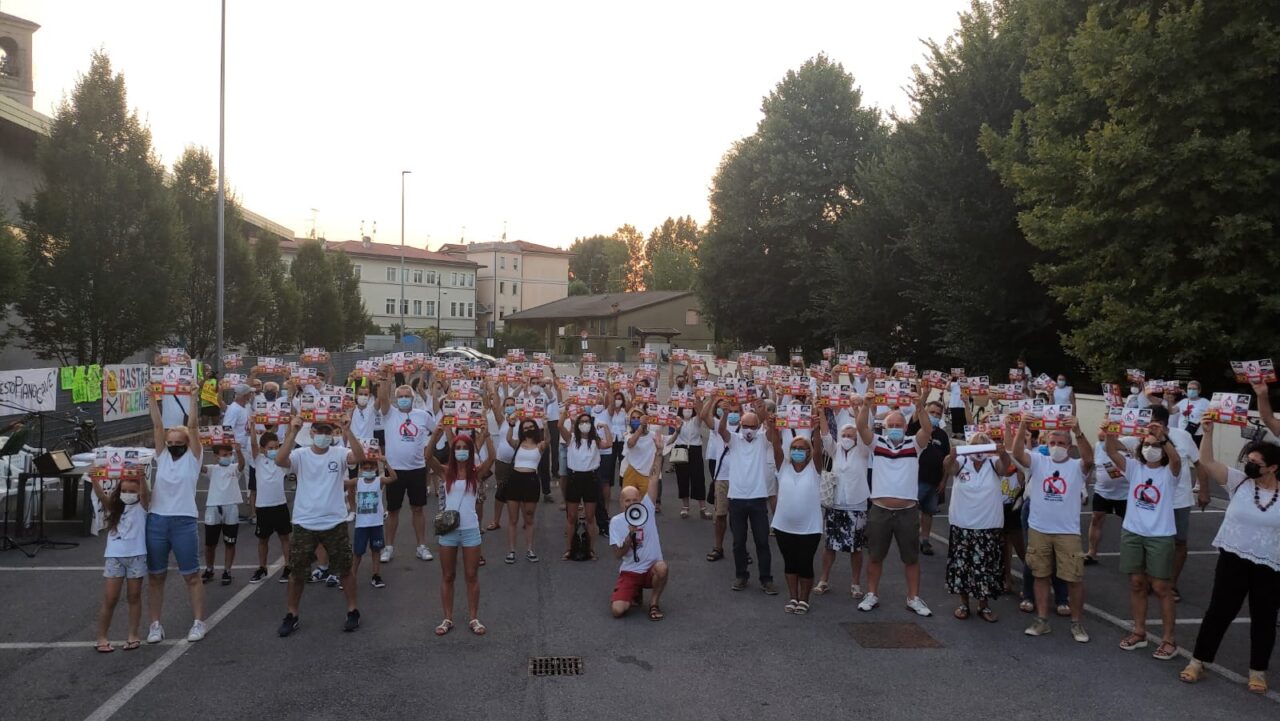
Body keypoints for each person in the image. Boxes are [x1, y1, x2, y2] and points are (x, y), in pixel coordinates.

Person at [1180, 422, 1280, 694]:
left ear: (1272, 467)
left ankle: (1257, 671)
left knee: (1264, 618)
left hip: (1270, 564)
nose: (1250, 466)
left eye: (1256, 463)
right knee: (1219, 612)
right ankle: (1198, 661)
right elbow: (1208, 461)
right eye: (1248, 460)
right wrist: (1209, 432)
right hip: (1233, 558)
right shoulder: (1240, 481)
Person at [276, 418, 365, 636]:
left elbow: (360, 457)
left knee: (345, 569)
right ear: (312, 433)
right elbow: (280, 460)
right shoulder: (301, 454)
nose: (325, 435)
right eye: (320, 431)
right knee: (296, 573)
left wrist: (347, 431)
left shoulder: (339, 452)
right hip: (305, 522)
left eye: (329, 431)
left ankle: (353, 610)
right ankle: (292, 614)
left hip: (334, 521)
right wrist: (293, 432)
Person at [1010, 416, 1094, 642]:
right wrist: (1022, 427)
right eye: (1052, 442)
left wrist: (1078, 430)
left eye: (1061, 443)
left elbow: (1089, 459)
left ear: (1069, 446)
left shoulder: (1076, 467)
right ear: (1046, 443)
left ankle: (1077, 623)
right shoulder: (1039, 461)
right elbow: (1018, 454)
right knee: (1040, 575)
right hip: (1039, 529)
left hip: (1068, 532)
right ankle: (1042, 620)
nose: (1056, 446)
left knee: (1074, 579)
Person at [855, 386, 934, 616]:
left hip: (907, 511)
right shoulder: (877, 443)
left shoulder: (914, 444)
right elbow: (861, 427)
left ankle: (914, 597)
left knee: (911, 558)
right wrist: (866, 405)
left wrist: (920, 407)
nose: (896, 429)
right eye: (892, 425)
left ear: (906, 427)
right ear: (885, 427)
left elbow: (928, 430)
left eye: (899, 425)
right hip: (880, 510)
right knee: (876, 556)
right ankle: (872, 594)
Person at [1103, 423, 1180, 660]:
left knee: (1161, 587)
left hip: (1160, 534)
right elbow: (1112, 452)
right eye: (1146, 445)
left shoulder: (1170, 472)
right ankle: (1139, 631)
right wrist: (1109, 433)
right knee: (1136, 583)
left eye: (1155, 446)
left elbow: (1176, 461)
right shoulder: (1135, 467)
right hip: (1133, 532)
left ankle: (1169, 640)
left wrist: (1162, 438)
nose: (1150, 449)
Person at [144, 387, 207, 644]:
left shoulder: (194, 458)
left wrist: (193, 397)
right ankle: (155, 625)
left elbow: (192, 427)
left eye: (178, 443)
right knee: (156, 576)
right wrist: (151, 398)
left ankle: (198, 622)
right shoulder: (163, 456)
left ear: (188, 444)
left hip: (184, 521)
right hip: (157, 520)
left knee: (191, 575)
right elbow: (158, 428)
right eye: (170, 443)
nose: (173, 446)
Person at [427, 428, 495, 635]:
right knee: (448, 575)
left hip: (470, 530)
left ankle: (474, 617)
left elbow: (492, 457)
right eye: (458, 448)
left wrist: (487, 434)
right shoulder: (446, 472)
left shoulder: (477, 473)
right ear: (452, 450)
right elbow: (427, 457)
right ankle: (447, 617)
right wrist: (436, 435)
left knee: (471, 574)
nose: (461, 451)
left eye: (465, 448)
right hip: (448, 531)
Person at [943, 434, 1009, 622]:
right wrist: (952, 455)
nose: (979, 451)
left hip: (988, 526)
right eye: (975, 447)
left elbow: (1004, 469)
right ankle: (963, 604)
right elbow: (948, 468)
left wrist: (1003, 454)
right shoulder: (962, 462)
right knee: (962, 566)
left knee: (986, 568)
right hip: (962, 525)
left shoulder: (993, 462)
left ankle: (984, 606)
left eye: (983, 447)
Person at [718, 400, 778, 595]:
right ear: (740, 426)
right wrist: (725, 414)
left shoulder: (762, 439)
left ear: (757, 426)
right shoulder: (734, 439)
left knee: (762, 541)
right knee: (738, 542)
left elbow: (771, 433)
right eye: (745, 426)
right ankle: (741, 575)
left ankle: (766, 579)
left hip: (758, 498)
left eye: (752, 426)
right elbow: (722, 431)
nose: (749, 430)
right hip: (736, 499)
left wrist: (767, 418)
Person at [376, 380, 435, 564]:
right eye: (400, 397)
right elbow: (383, 397)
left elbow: (435, 432)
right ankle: (389, 547)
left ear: (413, 398)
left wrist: (428, 451)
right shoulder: (389, 414)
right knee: (393, 510)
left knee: (418, 509)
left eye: (406, 396)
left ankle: (421, 546)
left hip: (417, 469)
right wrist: (385, 378)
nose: (403, 399)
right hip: (394, 471)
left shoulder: (422, 416)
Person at [92, 474, 150, 652]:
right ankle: (101, 637)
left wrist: (142, 478)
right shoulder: (115, 507)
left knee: (134, 596)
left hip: (137, 555)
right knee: (110, 598)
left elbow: (146, 494)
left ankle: (133, 635)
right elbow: (102, 496)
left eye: (132, 491)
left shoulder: (143, 506)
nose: (128, 494)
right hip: (114, 556)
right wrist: (94, 479)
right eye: (124, 491)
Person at [770, 427, 824, 614]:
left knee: (805, 563)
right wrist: (772, 425)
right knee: (790, 562)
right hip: (783, 526)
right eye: (794, 448)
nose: (797, 451)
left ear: (809, 452)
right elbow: (776, 445)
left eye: (802, 448)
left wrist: (817, 426)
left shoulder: (814, 469)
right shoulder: (783, 467)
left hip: (809, 528)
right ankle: (793, 597)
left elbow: (819, 447)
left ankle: (804, 598)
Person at [815, 417, 869, 599]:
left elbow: (863, 432)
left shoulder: (863, 450)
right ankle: (823, 580)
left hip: (857, 504)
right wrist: (821, 410)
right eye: (844, 435)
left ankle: (855, 584)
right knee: (829, 546)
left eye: (850, 436)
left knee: (856, 548)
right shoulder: (835, 449)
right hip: (836, 503)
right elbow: (824, 434)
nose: (846, 438)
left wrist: (857, 410)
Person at [1150, 405, 1199, 601]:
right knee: (1151, 541)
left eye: (1149, 420)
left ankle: (1172, 583)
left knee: (1179, 542)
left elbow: (1199, 462)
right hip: (1153, 499)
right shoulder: (1142, 437)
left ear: (1161, 422)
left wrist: (1203, 488)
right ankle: (1150, 578)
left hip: (1179, 499)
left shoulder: (1183, 437)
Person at [609, 473, 669, 620]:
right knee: (617, 610)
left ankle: (654, 604)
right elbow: (618, 554)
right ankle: (635, 591)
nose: (631, 503)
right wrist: (629, 536)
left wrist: (659, 453)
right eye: (627, 500)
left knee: (662, 568)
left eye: (635, 500)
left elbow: (654, 477)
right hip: (631, 571)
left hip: (650, 569)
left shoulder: (647, 509)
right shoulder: (616, 522)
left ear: (640, 501)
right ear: (621, 503)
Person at [560, 410, 612, 560]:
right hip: (575, 478)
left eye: (587, 422)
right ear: (577, 425)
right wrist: (566, 412)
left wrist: (606, 428)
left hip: (591, 479)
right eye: (581, 422)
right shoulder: (571, 439)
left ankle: (590, 550)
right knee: (571, 517)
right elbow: (559, 426)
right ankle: (569, 549)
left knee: (590, 517)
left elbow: (608, 443)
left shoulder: (595, 440)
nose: (584, 424)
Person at [248, 429, 291, 584]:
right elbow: (253, 444)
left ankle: (288, 566)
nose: (274, 450)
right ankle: (262, 567)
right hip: (263, 506)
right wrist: (252, 427)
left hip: (280, 504)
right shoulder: (258, 460)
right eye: (270, 448)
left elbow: (288, 443)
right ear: (262, 449)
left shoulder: (283, 462)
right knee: (262, 539)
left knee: (284, 537)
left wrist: (290, 427)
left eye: (276, 447)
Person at [1084, 429, 1132, 565]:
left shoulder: (1128, 445)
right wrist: (1084, 489)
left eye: (1106, 430)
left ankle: (1130, 555)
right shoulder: (1097, 447)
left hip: (1126, 494)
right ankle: (1092, 553)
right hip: (1102, 492)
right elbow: (1089, 469)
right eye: (1102, 429)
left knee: (1130, 526)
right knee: (1096, 519)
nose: (1101, 433)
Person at [348, 457, 395, 589]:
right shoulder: (358, 482)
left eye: (371, 468)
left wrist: (386, 463)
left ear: (376, 469)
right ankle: (351, 576)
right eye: (365, 468)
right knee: (357, 552)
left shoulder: (380, 481)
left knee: (376, 550)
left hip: (376, 523)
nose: (368, 470)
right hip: (361, 525)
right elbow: (343, 483)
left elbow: (393, 478)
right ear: (361, 469)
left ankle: (376, 576)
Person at [911, 400, 951, 556]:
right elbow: (915, 416)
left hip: (934, 482)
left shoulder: (942, 435)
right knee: (911, 513)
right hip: (916, 480)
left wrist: (943, 481)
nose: (935, 416)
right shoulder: (916, 428)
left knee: (928, 513)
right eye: (932, 412)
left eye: (938, 414)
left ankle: (925, 541)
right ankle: (910, 540)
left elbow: (947, 460)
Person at [201, 443, 244, 586]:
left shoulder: (234, 468)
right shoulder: (212, 470)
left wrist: (238, 451)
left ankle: (227, 570)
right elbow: (199, 467)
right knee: (210, 544)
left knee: (230, 543)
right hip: (213, 507)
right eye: (224, 455)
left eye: (229, 454)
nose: (228, 457)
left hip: (231, 507)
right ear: (216, 456)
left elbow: (242, 465)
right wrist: (199, 448)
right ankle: (209, 568)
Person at [504, 417, 546, 563]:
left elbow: (549, 438)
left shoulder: (540, 445)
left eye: (531, 427)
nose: (528, 429)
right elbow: (508, 439)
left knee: (529, 517)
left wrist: (545, 424)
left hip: (531, 481)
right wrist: (511, 425)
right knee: (513, 519)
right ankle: (511, 551)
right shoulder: (518, 443)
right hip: (515, 479)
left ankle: (529, 549)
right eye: (525, 427)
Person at [702, 398, 740, 563]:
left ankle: (741, 549)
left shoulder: (746, 426)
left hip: (741, 478)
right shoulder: (718, 424)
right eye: (727, 409)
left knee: (739, 517)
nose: (731, 412)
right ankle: (718, 547)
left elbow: (759, 420)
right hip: (723, 477)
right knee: (720, 515)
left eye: (735, 410)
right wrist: (713, 398)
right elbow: (704, 415)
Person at [672, 402, 708, 519]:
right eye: (685, 408)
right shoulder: (678, 420)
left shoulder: (696, 420)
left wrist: (697, 400)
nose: (687, 410)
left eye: (689, 407)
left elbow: (701, 414)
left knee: (698, 477)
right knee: (682, 478)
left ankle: (703, 507)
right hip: (681, 449)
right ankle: (685, 506)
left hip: (695, 449)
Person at [622, 408, 659, 497]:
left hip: (647, 473)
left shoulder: (652, 435)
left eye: (639, 418)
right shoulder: (628, 435)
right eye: (633, 418)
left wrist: (677, 431)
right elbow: (631, 444)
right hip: (631, 472)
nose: (636, 420)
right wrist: (640, 428)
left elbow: (667, 442)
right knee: (628, 501)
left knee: (646, 503)